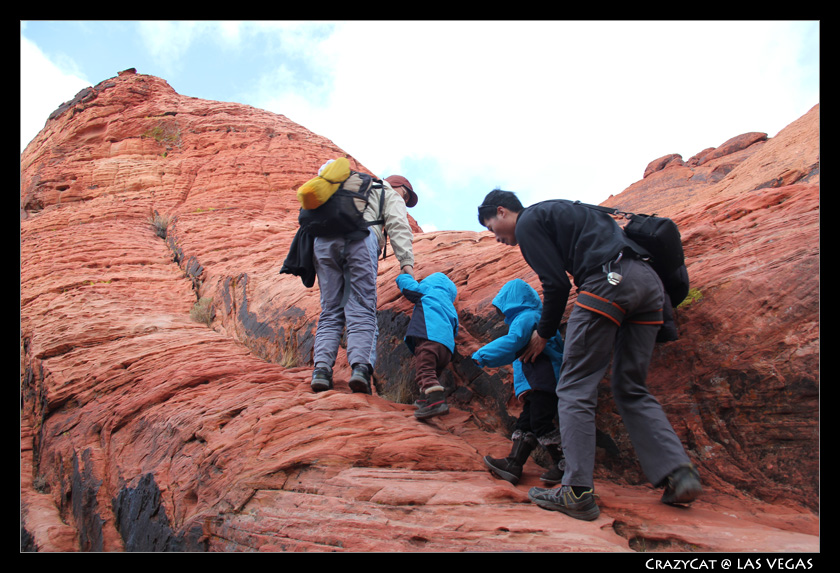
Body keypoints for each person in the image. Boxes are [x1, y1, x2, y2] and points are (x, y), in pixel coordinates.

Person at [477, 189, 701, 521]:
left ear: (502, 211)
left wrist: (545, 331)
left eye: (491, 227)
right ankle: (679, 473)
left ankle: (577, 491)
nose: (495, 237)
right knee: (631, 388)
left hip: (607, 282)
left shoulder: (528, 223)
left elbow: (555, 284)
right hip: (648, 286)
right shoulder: (569, 211)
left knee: (574, 387)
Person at [310, 173, 417, 394]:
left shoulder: (348, 187)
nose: (405, 201)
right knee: (361, 307)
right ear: (399, 187)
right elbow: (399, 225)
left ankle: (321, 371)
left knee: (330, 310)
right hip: (360, 238)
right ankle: (360, 370)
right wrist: (407, 264)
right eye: (405, 196)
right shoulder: (387, 191)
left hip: (323, 242)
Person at [472, 279, 566, 485]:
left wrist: (482, 355)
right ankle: (514, 464)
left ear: (512, 301)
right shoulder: (530, 317)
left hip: (544, 379)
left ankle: (565, 464)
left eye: (502, 305)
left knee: (540, 422)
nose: (501, 313)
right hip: (538, 381)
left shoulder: (528, 316)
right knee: (526, 422)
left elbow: (514, 342)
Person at [395, 272, 459, 419]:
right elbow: (455, 328)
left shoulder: (427, 292)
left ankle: (436, 402)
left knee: (424, 370)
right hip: (447, 349)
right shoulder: (450, 306)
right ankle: (425, 400)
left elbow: (409, 288)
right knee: (432, 372)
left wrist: (403, 275)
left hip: (429, 339)